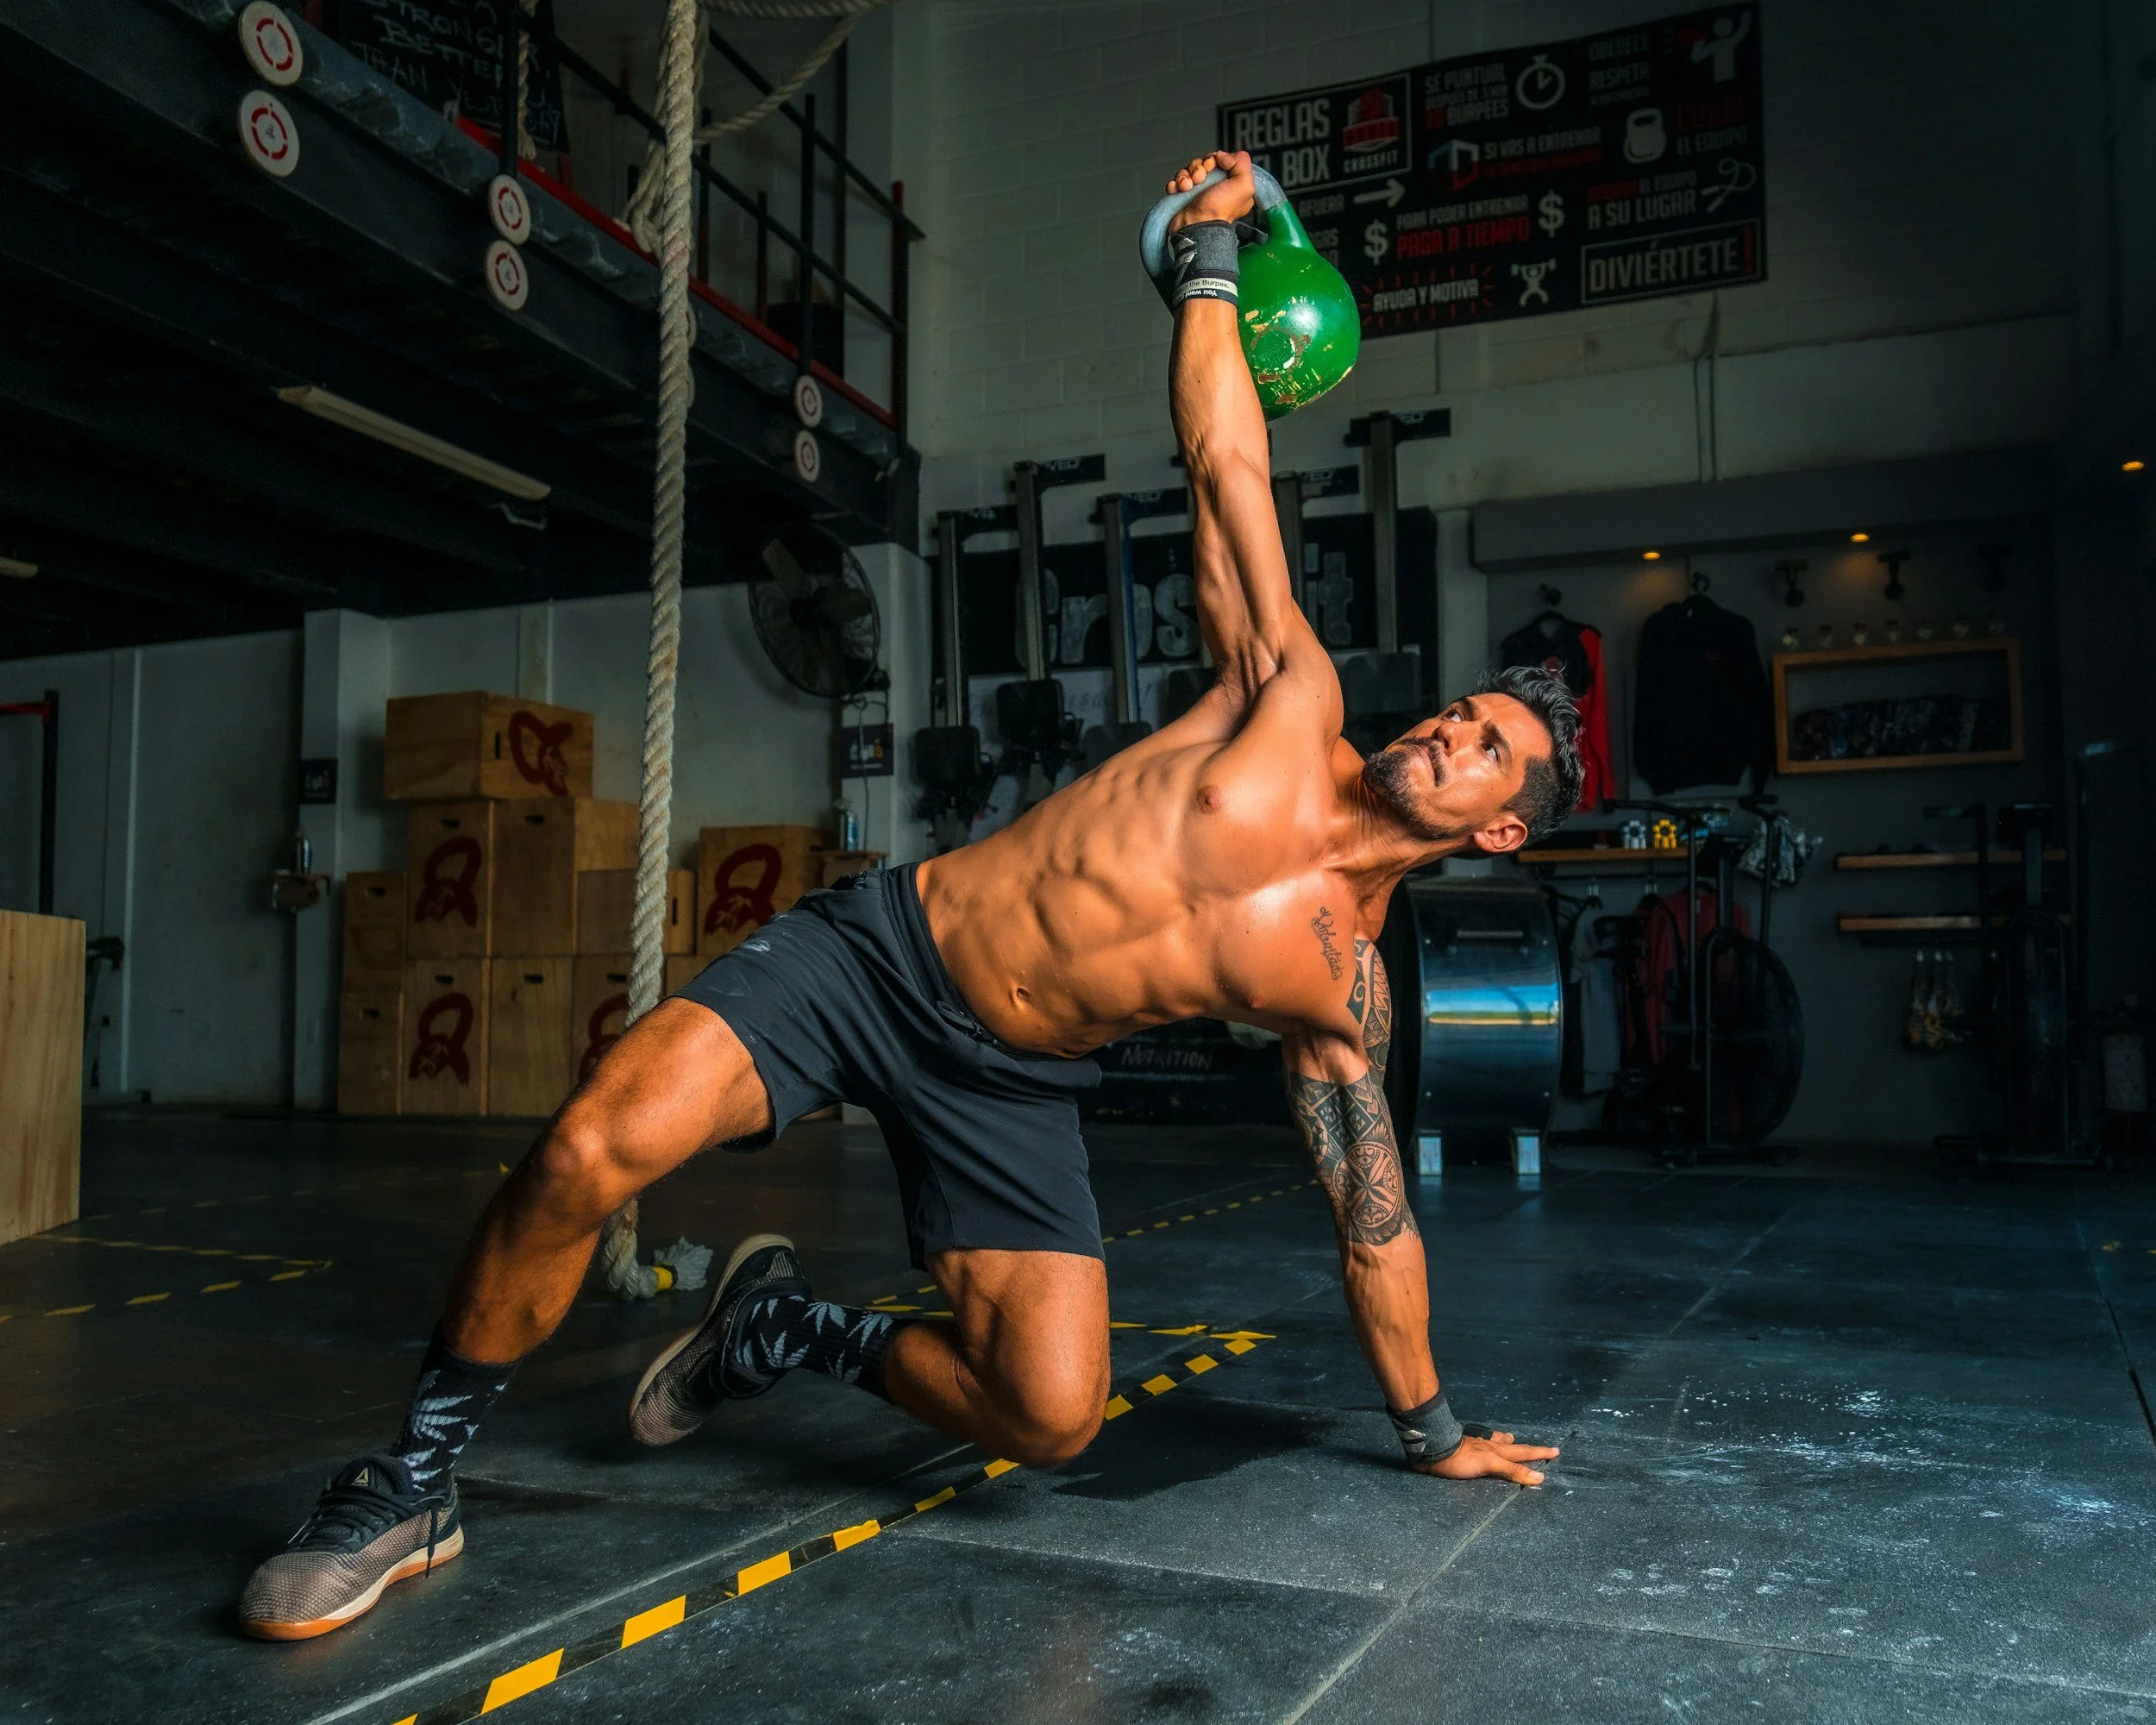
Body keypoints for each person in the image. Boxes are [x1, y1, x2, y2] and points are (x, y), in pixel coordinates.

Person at [238, 149, 1577, 1642]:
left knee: (1054, 1414)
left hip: (1007, 1085)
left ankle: (788, 1325)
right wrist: (1210, 253)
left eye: (1487, 752)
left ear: (1502, 830)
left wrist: (1432, 1429)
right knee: (586, 1146)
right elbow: (1227, 461)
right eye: (1462, 711)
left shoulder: (1346, 986)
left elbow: (1373, 1219)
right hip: (879, 956)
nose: (1450, 733)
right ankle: (414, 1479)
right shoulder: (1287, 696)